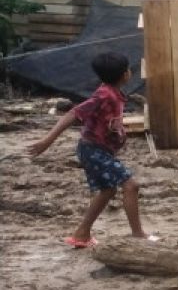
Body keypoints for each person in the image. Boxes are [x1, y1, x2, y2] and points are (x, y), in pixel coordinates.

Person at [27, 52, 152, 247]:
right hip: (93, 150)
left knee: (107, 190)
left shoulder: (114, 94)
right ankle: (138, 234)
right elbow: (74, 113)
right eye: (128, 69)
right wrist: (47, 140)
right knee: (131, 185)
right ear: (125, 75)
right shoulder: (105, 95)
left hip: (98, 150)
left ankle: (81, 234)